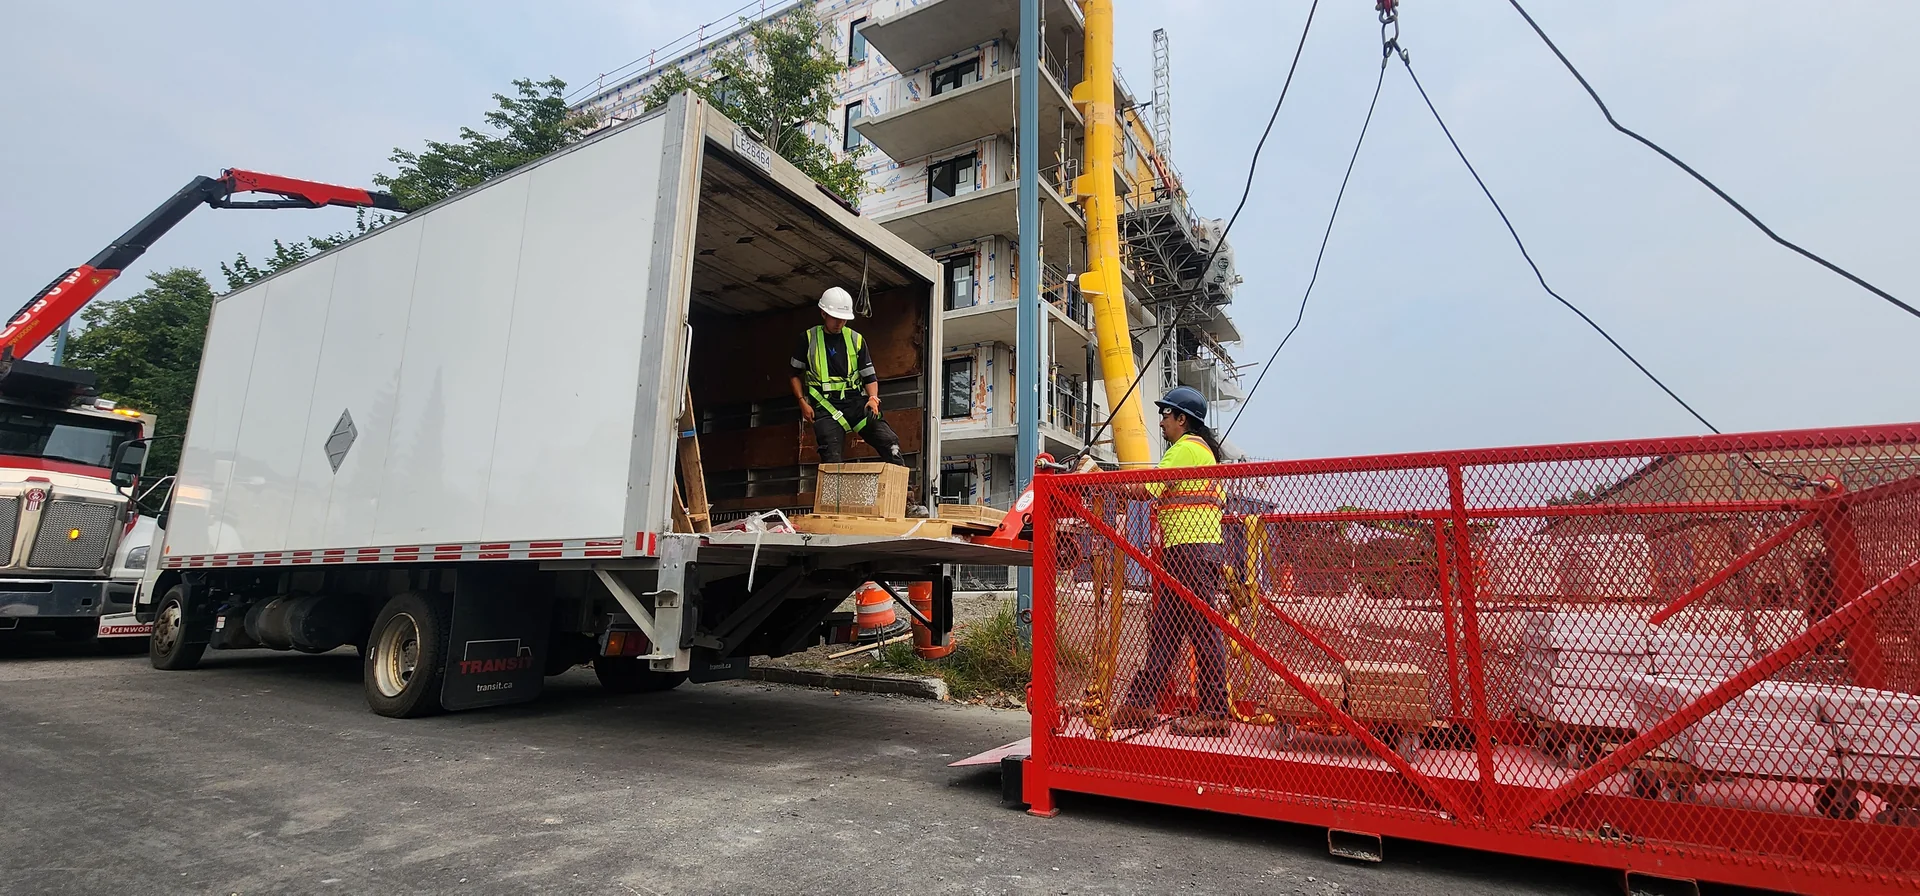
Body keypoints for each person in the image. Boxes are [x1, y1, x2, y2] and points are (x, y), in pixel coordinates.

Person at [1110, 385, 1233, 737]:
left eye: (1166, 415)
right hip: (1188, 550)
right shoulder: (1203, 452)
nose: (1161, 421)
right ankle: (1140, 705)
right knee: (1165, 629)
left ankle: (1214, 711)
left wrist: (1096, 477)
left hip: (1191, 550)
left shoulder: (1186, 450)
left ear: (1183, 419)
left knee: (1202, 632)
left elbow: (1145, 488)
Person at [790, 286, 908, 467]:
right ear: (823, 314)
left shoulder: (856, 339)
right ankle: (835, 496)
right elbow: (794, 375)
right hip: (825, 405)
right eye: (836, 318)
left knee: (890, 442)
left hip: (856, 402)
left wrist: (873, 398)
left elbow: (869, 377)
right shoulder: (807, 339)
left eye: (843, 319)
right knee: (831, 457)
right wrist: (802, 402)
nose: (840, 323)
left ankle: (902, 492)